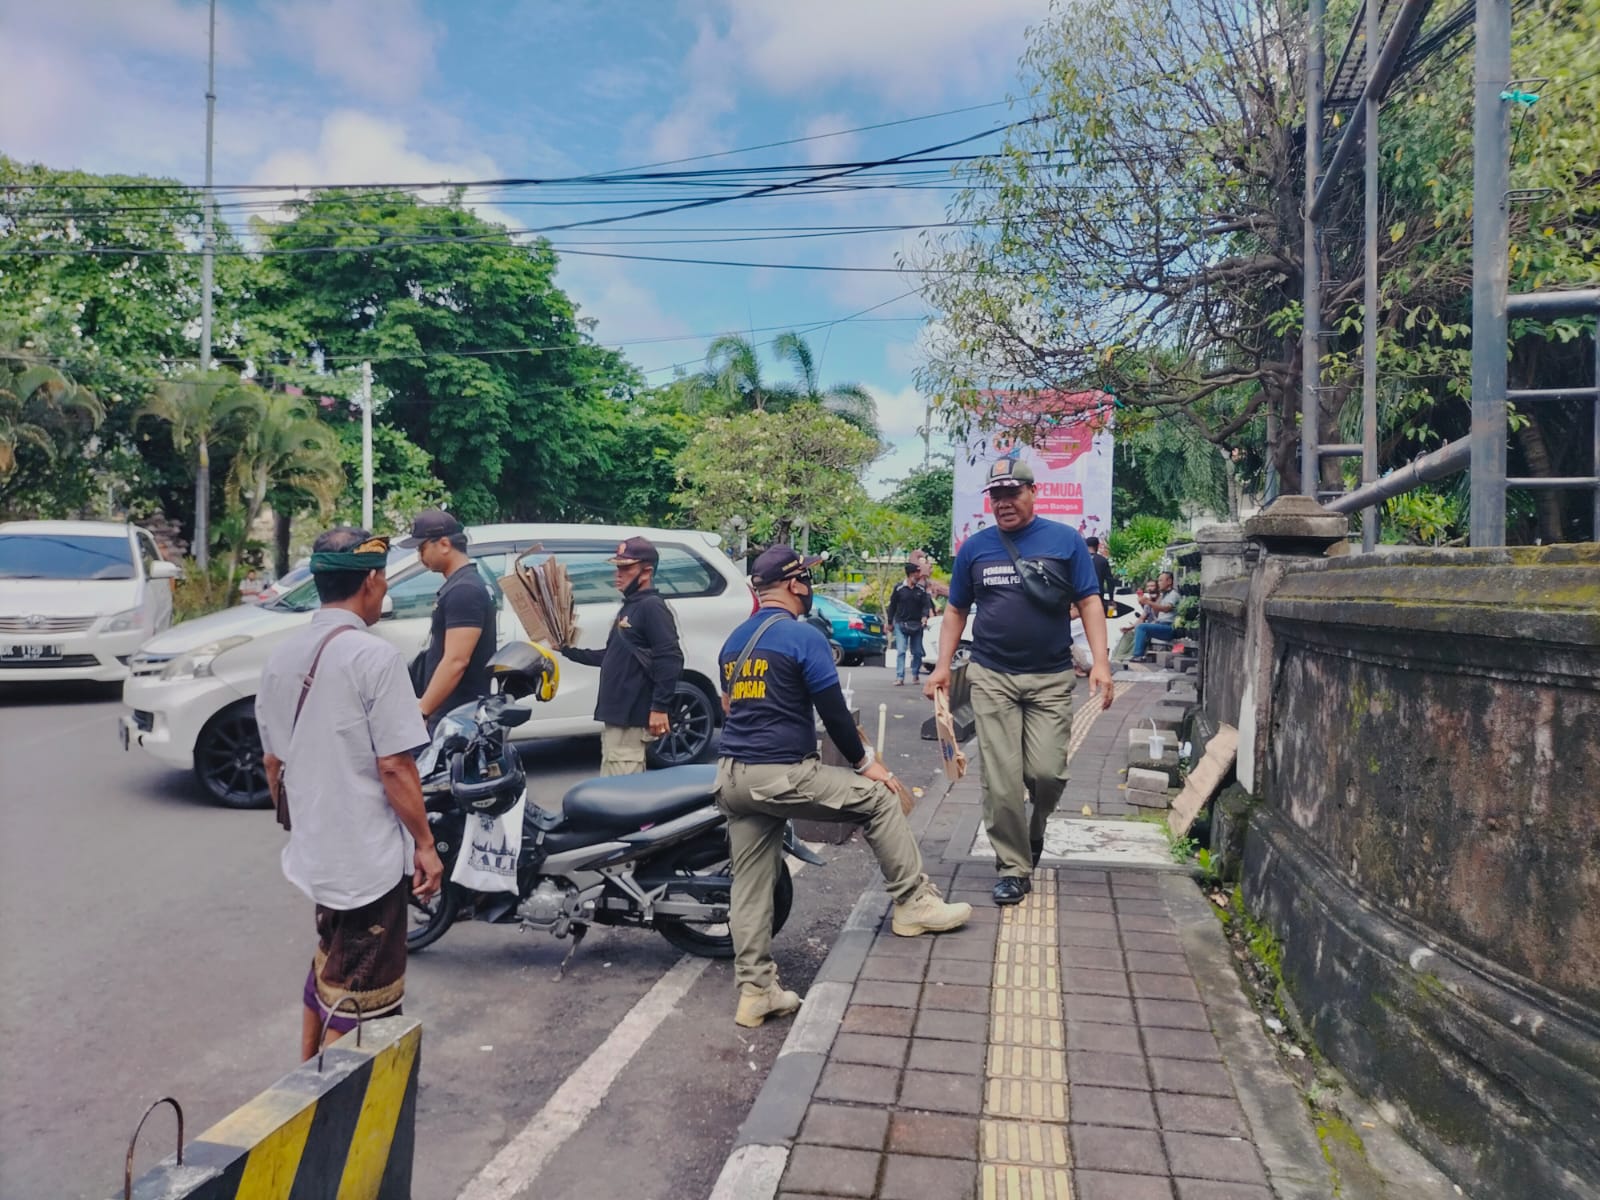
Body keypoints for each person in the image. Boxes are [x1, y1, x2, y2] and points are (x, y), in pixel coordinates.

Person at [717, 544, 972, 1027]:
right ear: (795, 584)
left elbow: (730, 706)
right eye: (807, 579)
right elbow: (832, 711)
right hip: (779, 771)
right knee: (878, 799)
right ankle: (914, 902)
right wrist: (865, 762)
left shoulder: (735, 641)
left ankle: (755, 991)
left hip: (732, 775)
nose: (810, 588)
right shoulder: (802, 635)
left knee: (751, 883)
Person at [257, 527, 443, 1061]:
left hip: (318, 852)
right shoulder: (373, 657)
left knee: (331, 964)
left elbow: (274, 761)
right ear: (370, 580)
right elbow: (395, 765)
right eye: (383, 579)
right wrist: (426, 845)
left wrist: (307, 822)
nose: (385, 590)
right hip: (365, 859)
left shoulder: (283, 655)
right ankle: (318, 1108)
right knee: (360, 993)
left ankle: (304, 1071)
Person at [923, 459, 1114, 905]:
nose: (1004, 502)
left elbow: (1089, 601)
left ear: (1033, 492)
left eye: (1013, 492)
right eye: (996, 495)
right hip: (992, 675)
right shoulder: (976, 548)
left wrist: (1101, 663)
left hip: (1050, 677)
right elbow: (956, 610)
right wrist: (942, 667)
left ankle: (1034, 830)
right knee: (1002, 780)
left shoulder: (1064, 541)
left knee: (1046, 773)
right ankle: (1013, 866)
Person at [559, 536, 684, 775]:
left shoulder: (651, 606)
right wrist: (568, 651)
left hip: (632, 714)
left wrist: (659, 707)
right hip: (618, 714)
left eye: (626, 568)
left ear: (646, 571)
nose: (618, 573)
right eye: (617, 567)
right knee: (613, 782)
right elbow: (612, 656)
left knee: (623, 790)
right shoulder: (630, 606)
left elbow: (670, 658)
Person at [401, 509, 496, 731]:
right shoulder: (463, 584)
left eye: (421, 548)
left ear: (444, 544)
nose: (419, 557)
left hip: (457, 715)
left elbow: (456, 660)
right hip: (454, 712)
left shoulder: (464, 590)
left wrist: (423, 710)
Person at [886, 562, 936, 685]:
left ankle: (915, 674)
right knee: (901, 651)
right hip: (900, 623)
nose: (919, 575)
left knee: (917, 652)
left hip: (917, 624)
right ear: (910, 574)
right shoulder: (899, 589)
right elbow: (892, 606)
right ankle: (900, 677)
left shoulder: (921, 590)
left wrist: (924, 617)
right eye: (916, 573)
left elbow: (926, 605)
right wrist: (889, 622)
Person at [1131, 571, 1181, 660]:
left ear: (1169, 581)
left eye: (1161, 581)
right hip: (1160, 624)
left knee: (1142, 627)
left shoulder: (1174, 594)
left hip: (1169, 627)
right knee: (1140, 628)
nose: (1159, 583)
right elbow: (1156, 611)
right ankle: (1141, 654)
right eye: (1158, 581)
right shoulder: (1164, 595)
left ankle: (1138, 655)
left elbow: (1166, 608)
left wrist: (1148, 602)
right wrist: (1145, 603)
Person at [1084, 537, 1114, 608]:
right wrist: (1111, 599)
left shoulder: (1080, 560)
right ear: (1097, 546)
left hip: (1081, 597)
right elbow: (1110, 581)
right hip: (1097, 596)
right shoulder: (1102, 561)